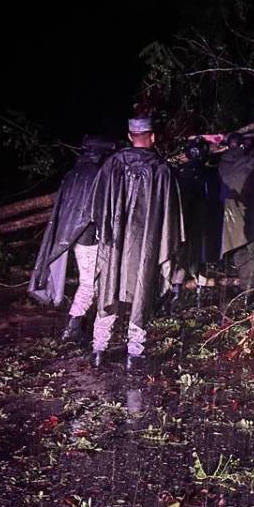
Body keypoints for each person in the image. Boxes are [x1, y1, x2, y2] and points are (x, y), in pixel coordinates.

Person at [90, 117, 183, 371]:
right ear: (152, 137)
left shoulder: (112, 164)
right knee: (142, 290)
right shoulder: (161, 170)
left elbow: (97, 205)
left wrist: (106, 231)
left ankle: (99, 348)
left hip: (116, 242)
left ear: (130, 136)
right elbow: (170, 217)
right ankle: (134, 353)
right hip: (146, 244)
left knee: (110, 284)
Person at [29, 135, 117, 342]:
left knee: (89, 283)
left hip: (78, 239)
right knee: (91, 285)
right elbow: (99, 211)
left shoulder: (73, 174)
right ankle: (76, 328)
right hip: (91, 238)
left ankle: (75, 327)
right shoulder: (97, 175)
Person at [218, 132, 254, 307]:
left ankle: (242, 294)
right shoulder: (248, 163)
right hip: (245, 219)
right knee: (250, 257)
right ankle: (247, 298)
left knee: (239, 254)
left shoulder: (221, 164)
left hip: (226, 220)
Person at [170, 137, 222, 308]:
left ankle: (177, 294)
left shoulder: (179, 174)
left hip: (184, 225)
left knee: (182, 258)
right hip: (202, 225)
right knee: (200, 258)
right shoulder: (209, 174)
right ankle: (197, 295)